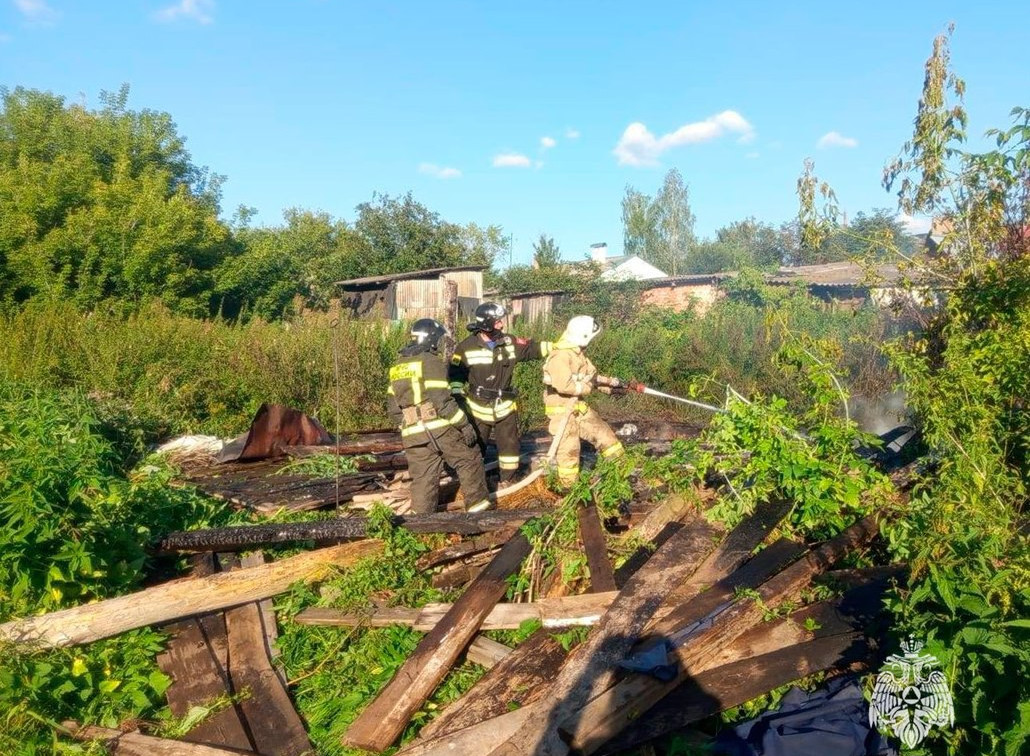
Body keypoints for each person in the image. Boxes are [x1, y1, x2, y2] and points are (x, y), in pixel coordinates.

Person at [386, 318, 492, 514]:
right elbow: (442, 401)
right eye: (439, 338)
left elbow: (392, 408)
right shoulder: (430, 361)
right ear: (432, 338)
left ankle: (421, 527)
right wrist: (464, 425)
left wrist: (408, 425)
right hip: (437, 427)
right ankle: (479, 516)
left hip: (412, 433)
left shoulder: (397, 366)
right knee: (469, 459)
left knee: (423, 479)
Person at [449, 302, 552, 486]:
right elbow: (455, 377)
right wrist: (459, 401)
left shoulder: (509, 342)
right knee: (475, 446)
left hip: (504, 406)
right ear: (487, 324)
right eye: (498, 322)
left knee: (510, 447)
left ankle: (508, 480)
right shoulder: (465, 347)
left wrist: (561, 346)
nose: (502, 325)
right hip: (477, 407)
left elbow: (532, 349)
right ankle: (475, 483)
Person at [542, 315, 625, 488]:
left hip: (579, 409)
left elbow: (589, 377)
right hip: (563, 413)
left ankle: (622, 473)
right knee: (569, 452)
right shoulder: (561, 356)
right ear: (584, 336)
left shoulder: (577, 354)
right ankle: (569, 490)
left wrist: (610, 386)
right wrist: (587, 388)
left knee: (607, 438)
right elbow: (565, 385)